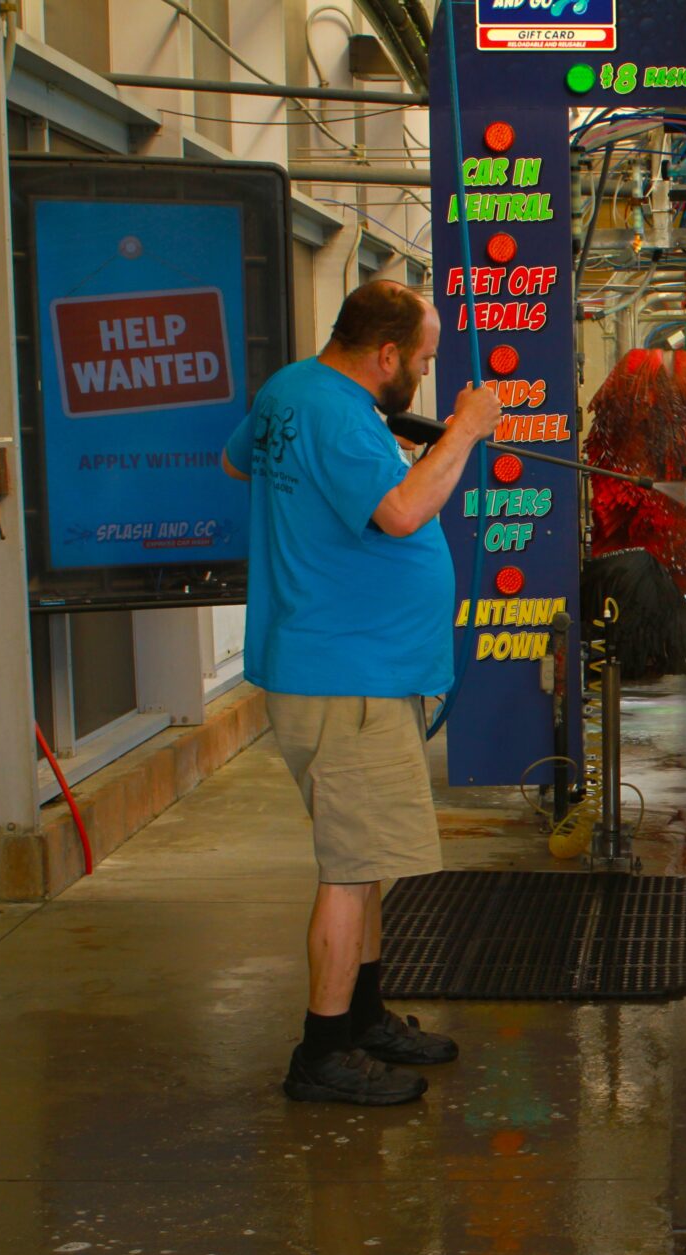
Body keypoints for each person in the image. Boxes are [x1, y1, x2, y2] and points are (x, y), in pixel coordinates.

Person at [222, 279, 501, 1106]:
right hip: (345, 677)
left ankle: (364, 1015)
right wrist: (464, 432)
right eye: (421, 359)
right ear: (384, 355)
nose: (424, 369)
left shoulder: (290, 392)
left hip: (345, 668)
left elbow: (238, 460)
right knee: (348, 869)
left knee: (365, 855)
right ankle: (323, 1050)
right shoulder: (338, 411)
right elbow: (406, 511)